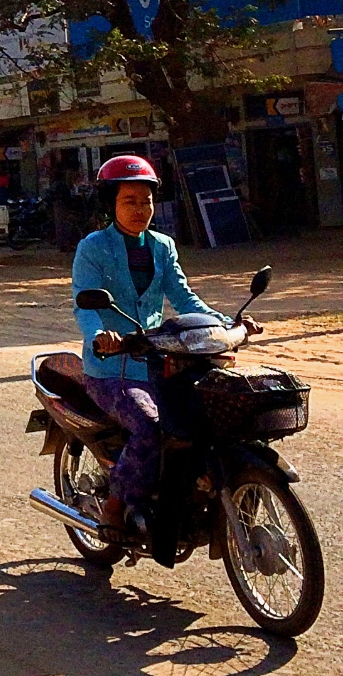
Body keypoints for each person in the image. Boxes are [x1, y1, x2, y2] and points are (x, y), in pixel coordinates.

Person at [70, 153, 255, 539]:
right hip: (111, 369)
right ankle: (116, 507)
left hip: (162, 361)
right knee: (154, 427)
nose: (140, 210)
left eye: (146, 200)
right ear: (112, 204)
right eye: (129, 201)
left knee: (216, 415)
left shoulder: (162, 246)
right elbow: (85, 304)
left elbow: (185, 300)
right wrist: (99, 338)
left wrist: (228, 323)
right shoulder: (92, 247)